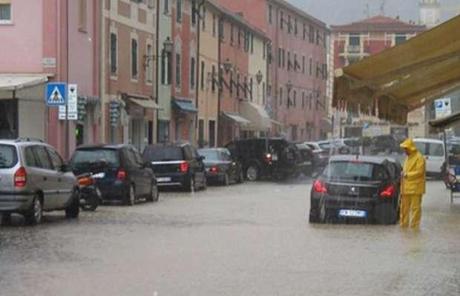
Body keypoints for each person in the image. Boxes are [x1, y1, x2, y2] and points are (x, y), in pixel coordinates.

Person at [399, 138, 426, 229]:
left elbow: (420, 172)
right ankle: (403, 225)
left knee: (415, 209)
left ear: (410, 148)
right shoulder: (407, 158)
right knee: (404, 208)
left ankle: (414, 228)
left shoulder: (419, 157)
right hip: (405, 188)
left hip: (416, 188)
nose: (404, 150)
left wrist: (407, 175)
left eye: (406, 148)